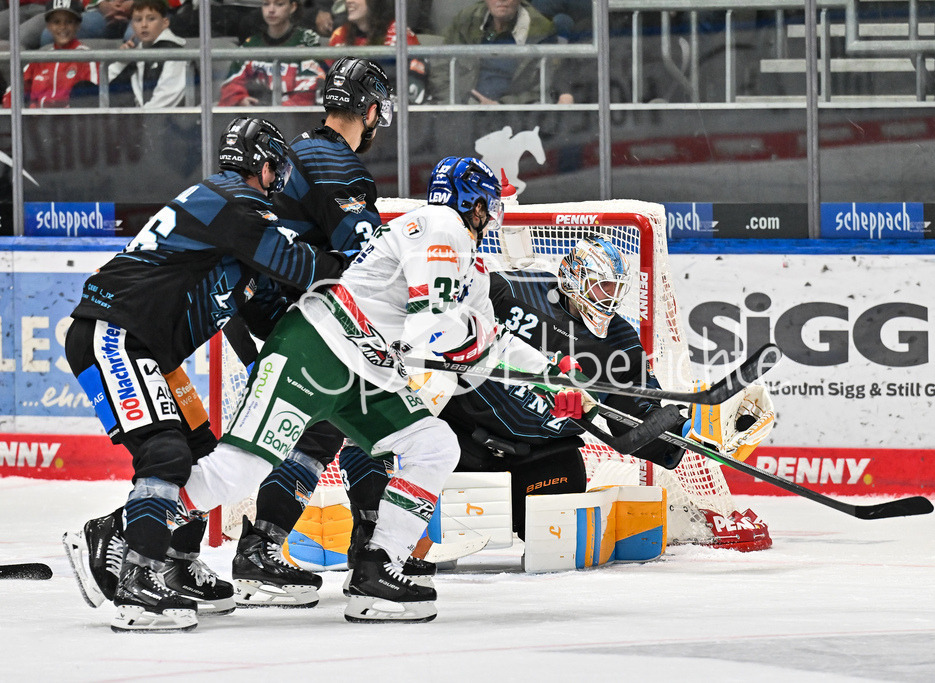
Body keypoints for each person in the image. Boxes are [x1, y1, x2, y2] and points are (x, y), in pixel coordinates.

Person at [174, 156, 588, 623]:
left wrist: (551, 375)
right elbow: (434, 331)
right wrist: (474, 349)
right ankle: (133, 534)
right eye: (492, 204)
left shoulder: (471, 265)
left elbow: (482, 352)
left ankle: (378, 566)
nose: (496, 215)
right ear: (474, 202)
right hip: (318, 347)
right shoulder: (440, 224)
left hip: (366, 370)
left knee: (432, 446)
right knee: (243, 469)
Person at [62, 117, 347, 633]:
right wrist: (362, 266)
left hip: (150, 348)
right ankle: (134, 571)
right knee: (166, 453)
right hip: (115, 333)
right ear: (263, 164)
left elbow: (263, 314)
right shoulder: (232, 199)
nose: (279, 177)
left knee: (199, 455)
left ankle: (173, 561)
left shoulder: (236, 228)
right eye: (277, 166)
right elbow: (299, 265)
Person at [332, 236, 688, 555]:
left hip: (543, 457)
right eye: (599, 287)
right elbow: (447, 311)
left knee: (557, 547)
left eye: (614, 288)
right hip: (464, 442)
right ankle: (371, 541)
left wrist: (671, 432)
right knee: (385, 440)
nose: (607, 298)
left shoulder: (619, 339)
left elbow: (634, 413)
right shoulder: (511, 290)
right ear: (574, 279)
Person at [226, 56, 396, 609]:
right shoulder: (335, 161)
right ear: (370, 109)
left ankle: (331, 547)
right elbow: (364, 257)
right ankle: (366, 550)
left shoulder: (297, 150)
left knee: (324, 429)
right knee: (373, 412)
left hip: (257, 308)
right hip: (295, 313)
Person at [429, 0, 574, 105]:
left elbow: (541, 89)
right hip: (461, 114)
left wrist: (501, 107)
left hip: (512, 120)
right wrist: (454, 104)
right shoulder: (466, 20)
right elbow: (441, 68)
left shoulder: (541, 31)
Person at [218, 0, 325, 107]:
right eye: (266, 4)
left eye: (279, 4)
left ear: (292, 7)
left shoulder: (306, 40)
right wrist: (241, 99)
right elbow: (231, 83)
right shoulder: (252, 44)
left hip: (296, 119)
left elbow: (313, 84)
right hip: (256, 117)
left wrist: (280, 111)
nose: (271, 10)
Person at [2, 0, 98, 109]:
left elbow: (93, 101)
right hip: (36, 123)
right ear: (48, 26)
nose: (62, 27)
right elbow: (11, 94)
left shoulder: (87, 58)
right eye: (56, 22)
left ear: (78, 25)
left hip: (70, 123)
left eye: (69, 22)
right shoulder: (39, 61)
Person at [328, 0, 428, 104]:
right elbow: (325, 79)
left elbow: (415, 81)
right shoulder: (339, 35)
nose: (348, 1)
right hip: (347, 113)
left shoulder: (398, 33)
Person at [107, 0, 189, 108]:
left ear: (165, 23)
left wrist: (139, 120)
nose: (144, 25)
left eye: (151, 19)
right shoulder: (135, 53)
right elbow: (105, 90)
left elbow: (166, 99)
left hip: (164, 122)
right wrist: (122, 61)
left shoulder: (175, 53)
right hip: (135, 120)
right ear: (132, 25)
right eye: (138, 20)